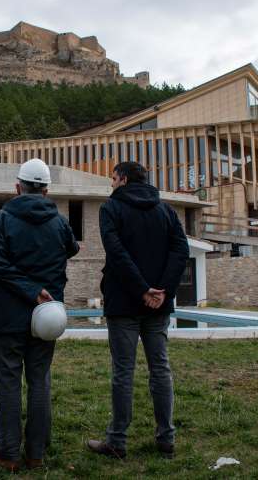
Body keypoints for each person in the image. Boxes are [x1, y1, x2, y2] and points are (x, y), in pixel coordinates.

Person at [0, 159, 79, 472]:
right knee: (40, 381)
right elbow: (72, 248)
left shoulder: (2, 218)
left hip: (7, 313)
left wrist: (29, 288)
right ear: (46, 190)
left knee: (9, 383)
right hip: (45, 315)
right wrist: (40, 284)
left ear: (17, 187)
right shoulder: (59, 222)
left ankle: (8, 454)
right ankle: (35, 454)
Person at [87, 161, 189, 460]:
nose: (111, 184)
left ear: (123, 179)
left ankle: (117, 441)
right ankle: (166, 438)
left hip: (123, 302)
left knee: (123, 372)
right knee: (161, 369)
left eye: (112, 178)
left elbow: (116, 253)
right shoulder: (166, 211)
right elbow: (180, 251)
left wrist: (143, 289)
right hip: (158, 304)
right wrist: (162, 290)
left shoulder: (111, 209)